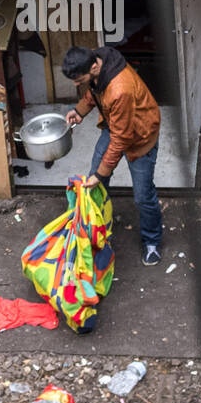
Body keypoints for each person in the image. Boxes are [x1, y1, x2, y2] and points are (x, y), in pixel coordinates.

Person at [62, 45, 164, 266]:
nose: (76, 84)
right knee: (94, 183)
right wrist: (79, 111)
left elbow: (121, 139)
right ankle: (94, 229)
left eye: (79, 80)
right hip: (116, 124)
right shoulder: (98, 64)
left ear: (95, 66)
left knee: (142, 196)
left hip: (139, 137)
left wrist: (101, 173)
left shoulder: (120, 89)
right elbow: (94, 92)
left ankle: (152, 241)